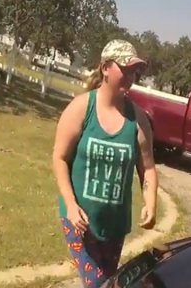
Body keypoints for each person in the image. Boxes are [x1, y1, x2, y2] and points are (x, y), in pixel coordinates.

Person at [51, 39, 158, 287]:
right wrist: (70, 204)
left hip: (114, 226)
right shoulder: (81, 108)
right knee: (98, 283)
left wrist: (150, 202)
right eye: (125, 68)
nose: (131, 76)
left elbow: (148, 167)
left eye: (135, 71)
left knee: (109, 282)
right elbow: (59, 158)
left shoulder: (138, 119)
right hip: (80, 221)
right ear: (106, 68)